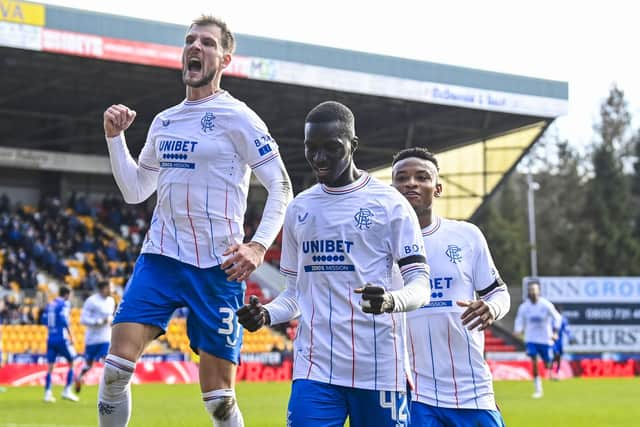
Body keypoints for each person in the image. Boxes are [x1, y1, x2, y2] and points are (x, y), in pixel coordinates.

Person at [99, 14, 292, 427]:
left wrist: (258, 246)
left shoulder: (240, 117)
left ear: (225, 58)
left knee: (219, 399)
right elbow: (136, 190)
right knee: (115, 370)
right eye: (190, 40)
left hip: (217, 267)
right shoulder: (164, 121)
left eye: (206, 42)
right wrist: (116, 140)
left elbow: (282, 186)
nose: (195, 47)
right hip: (162, 256)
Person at [237, 101, 430, 427]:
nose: (319, 158)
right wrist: (267, 313)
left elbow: (421, 285)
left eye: (331, 148)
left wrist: (389, 301)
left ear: (353, 145)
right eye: (311, 149)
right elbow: (296, 295)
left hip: (378, 368)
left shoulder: (390, 205)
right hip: (315, 369)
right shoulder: (299, 209)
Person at [391, 147, 510, 427]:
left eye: (422, 177)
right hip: (415, 394)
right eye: (402, 178)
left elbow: (498, 292)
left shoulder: (466, 235)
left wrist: (491, 307)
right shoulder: (380, 245)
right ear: (391, 188)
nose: (411, 183)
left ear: (438, 187)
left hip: (473, 391)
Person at [514, 279, 561, 398]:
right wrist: (518, 329)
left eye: (535, 290)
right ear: (528, 292)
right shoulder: (524, 307)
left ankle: (552, 368)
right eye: (530, 290)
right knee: (534, 362)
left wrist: (555, 332)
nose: (533, 293)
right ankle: (538, 390)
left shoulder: (546, 305)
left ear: (539, 291)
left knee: (548, 365)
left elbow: (557, 318)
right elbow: (519, 319)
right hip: (531, 339)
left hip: (545, 339)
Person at [74, 280, 116, 393]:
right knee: (88, 365)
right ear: (103, 288)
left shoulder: (111, 301)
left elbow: (110, 318)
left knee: (106, 360)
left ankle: (109, 386)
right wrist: (100, 321)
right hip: (92, 339)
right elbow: (83, 320)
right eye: (110, 287)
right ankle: (78, 378)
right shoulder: (91, 301)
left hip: (106, 338)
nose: (112, 290)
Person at [41, 285, 79, 403]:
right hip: (62, 338)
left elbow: (43, 320)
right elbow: (64, 319)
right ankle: (67, 390)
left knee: (50, 367)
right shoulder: (64, 304)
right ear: (67, 294)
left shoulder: (50, 304)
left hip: (50, 337)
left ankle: (47, 393)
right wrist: (71, 335)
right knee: (73, 362)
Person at [551, 305, 576, 378]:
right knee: (554, 355)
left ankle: (556, 372)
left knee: (558, 357)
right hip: (551, 341)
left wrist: (571, 338)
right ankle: (552, 372)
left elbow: (567, 329)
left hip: (559, 342)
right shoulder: (550, 320)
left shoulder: (562, 320)